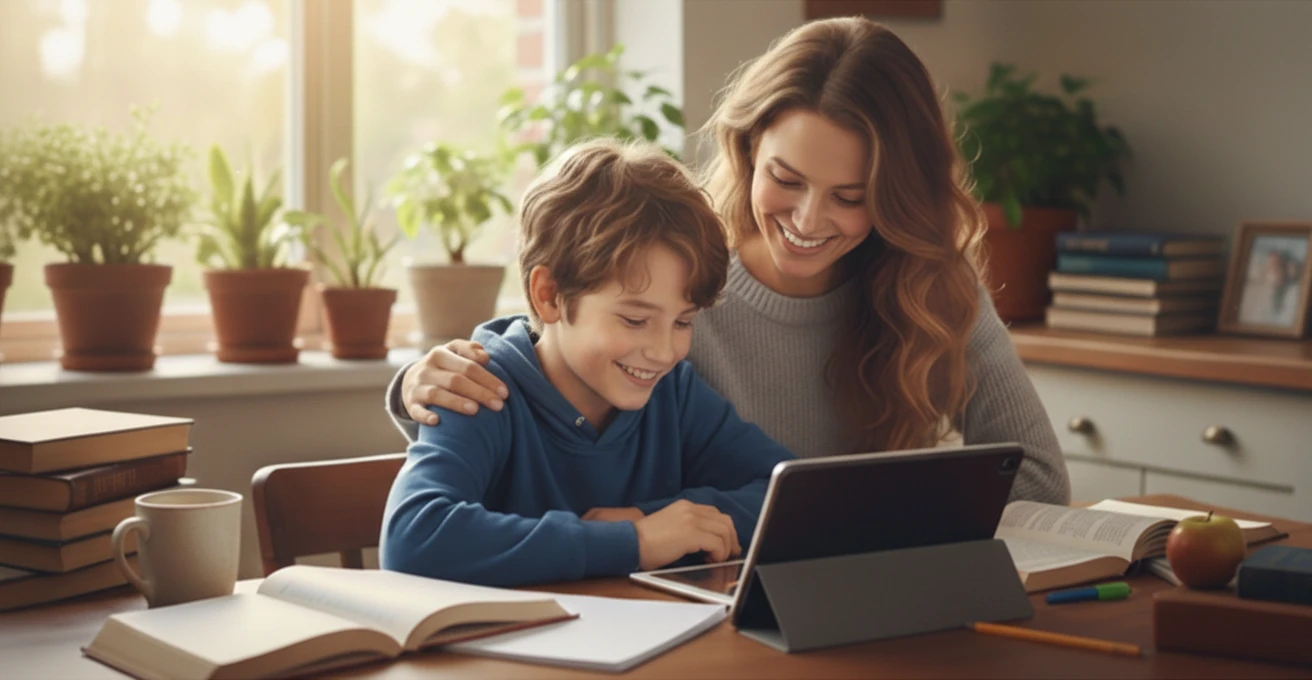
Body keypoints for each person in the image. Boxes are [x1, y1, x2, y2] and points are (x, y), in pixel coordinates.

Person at [385, 17, 1071, 505]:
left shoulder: (932, 288)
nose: (806, 221)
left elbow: (1038, 478)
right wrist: (418, 384)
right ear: (746, 149)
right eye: (788, 178)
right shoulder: (680, 275)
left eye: (850, 197)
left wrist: (880, 531)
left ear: (897, 199)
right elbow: (555, 351)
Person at [380, 139, 796, 587]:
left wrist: (648, 518)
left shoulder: (674, 394)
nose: (663, 351)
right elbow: (412, 539)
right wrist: (631, 541)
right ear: (549, 295)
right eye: (635, 319)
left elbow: (794, 497)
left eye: (683, 321)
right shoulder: (478, 388)